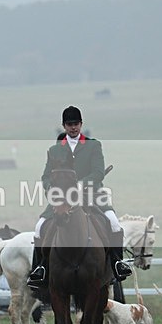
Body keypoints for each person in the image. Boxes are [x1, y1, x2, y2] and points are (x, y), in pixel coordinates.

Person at [27, 105, 132, 293]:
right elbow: (46, 176)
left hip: (92, 196)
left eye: (76, 124)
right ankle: (40, 268)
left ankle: (117, 264)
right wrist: (51, 188)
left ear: (81, 124)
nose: (73, 127)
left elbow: (98, 172)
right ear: (64, 126)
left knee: (114, 224)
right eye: (69, 124)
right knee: (39, 227)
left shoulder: (93, 145)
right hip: (62, 199)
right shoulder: (55, 149)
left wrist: (81, 184)